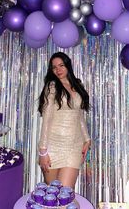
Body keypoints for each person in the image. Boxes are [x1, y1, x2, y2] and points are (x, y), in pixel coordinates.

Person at [38, 51, 91, 189]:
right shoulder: (52, 88)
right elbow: (47, 119)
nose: (58, 70)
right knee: (53, 192)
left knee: (65, 193)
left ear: (68, 66)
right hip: (53, 146)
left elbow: (79, 115)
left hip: (74, 146)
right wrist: (43, 151)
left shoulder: (77, 85)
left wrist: (87, 138)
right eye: (54, 67)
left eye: (61, 65)